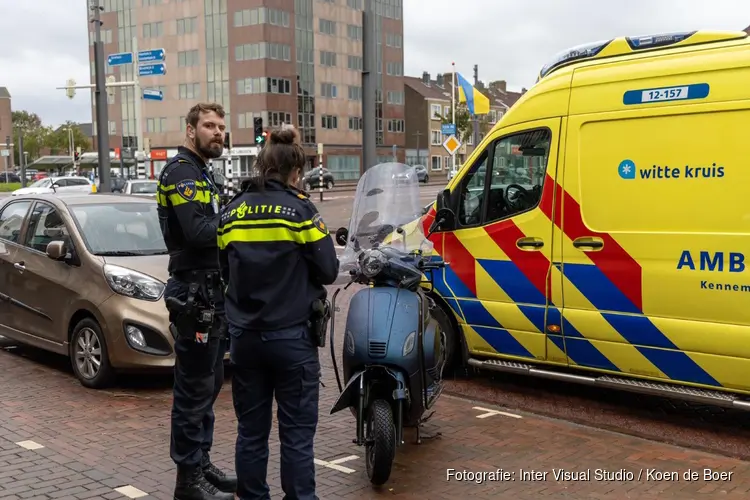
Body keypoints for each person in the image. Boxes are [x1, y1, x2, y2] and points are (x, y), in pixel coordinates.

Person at [218, 126, 340, 500]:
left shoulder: (231, 212)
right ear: (296, 172)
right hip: (291, 340)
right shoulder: (301, 211)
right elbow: (329, 271)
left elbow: (226, 272)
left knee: (251, 432)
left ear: (261, 165)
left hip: (245, 340)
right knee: (297, 434)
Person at [156, 102, 237, 500]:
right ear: (191, 130)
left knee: (209, 383)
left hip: (212, 291)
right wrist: (239, 218)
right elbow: (199, 231)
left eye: (221, 126)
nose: (218, 132)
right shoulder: (181, 173)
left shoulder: (206, 172)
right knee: (192, 389)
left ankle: (201, 464)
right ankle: (187, 480)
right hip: (194, 293)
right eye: (209, 126)